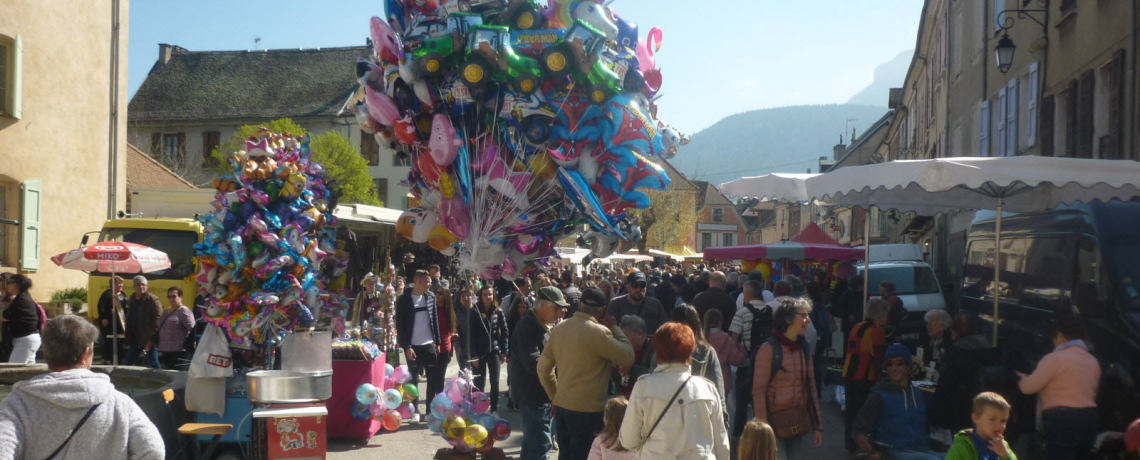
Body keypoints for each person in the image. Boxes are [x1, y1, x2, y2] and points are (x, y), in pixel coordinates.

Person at [0, 315, 164, 459]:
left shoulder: (17, 405)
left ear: (47, 352)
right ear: (85, 353)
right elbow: (153, 450)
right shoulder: (119, 403)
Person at [538, 286, 634, 460]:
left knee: (565, 455)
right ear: (602, 310)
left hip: (563, 406)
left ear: (580, 305)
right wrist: (615, 328)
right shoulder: (599, 332)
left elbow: (543, 368)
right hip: (588, 411)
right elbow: (627, 356)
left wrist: (556, 396)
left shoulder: (560, 328)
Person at [618, 322, 730, 459]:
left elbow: (628, 440)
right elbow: (722, 445)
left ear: (657, 350)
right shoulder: (708, 389)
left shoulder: (644, 386)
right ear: (690, 350)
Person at [1016, 315, 1101, 460]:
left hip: (1062, 421)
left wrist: (1018, 377)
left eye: (1054, 338)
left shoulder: (1054, 359)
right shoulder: (1093, 361)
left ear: (1060, 336)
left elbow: (1029, 387)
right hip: (1089, 420)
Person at [753, 298, 823, 460]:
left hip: (797, 421)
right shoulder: (768, 349)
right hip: (773, 425)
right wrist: (763, 427)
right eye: (804, 315)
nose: (808, 320)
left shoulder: (804, 349)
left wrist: (817, 426)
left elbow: (811, 387)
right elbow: (759, 390)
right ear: (788, 319)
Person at [853, 343, 941, 460]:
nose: (894, 368)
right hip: (895, 451)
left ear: (908, 367)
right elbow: (858, 431)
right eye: (890, 363)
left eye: (899, 363)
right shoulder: (879, 395)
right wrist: (872, 452)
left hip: (923, 449)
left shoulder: (916, 392)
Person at [511, 286, 568, 460]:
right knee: (541, 445)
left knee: (533, 444)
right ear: (543, 306)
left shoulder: (542, 325)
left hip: (540, 395)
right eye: (556, 308)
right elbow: (534, 364)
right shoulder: (527, 327)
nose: (560, 312)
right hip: (533, 395)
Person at [842, 299, 889, 452]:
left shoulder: (857, 326)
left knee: (851, 414)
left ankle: (851, 446)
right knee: (864, 415)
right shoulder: (876, 331)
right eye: (886, 314)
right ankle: (864, 448)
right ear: (880, 315)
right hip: (865, 377)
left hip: (849, 374)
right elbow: (879, 359)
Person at [396, 270, 441, 423]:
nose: (430, 284)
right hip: (412, 345)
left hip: (428, 344)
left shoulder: (430, 297)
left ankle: (429, 410)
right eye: (427, 281)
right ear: (418, 282)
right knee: (413, 380)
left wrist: (438, 342)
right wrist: (406, 346)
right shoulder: (404, 300)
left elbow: (435, 320)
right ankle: (414, 411)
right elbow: (400, 325)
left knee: (432, 379)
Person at [729, 279, 773, 437]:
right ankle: (763, 435)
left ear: (747, 294)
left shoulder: (742, 313)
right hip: (767, 364)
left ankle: (739, 436)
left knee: (741, 404)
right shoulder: (770, 312)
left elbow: (734, 339)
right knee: (762, 403)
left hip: (746, 364)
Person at [668, 305, 724, 406]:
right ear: (697, 325)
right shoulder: (707, 352)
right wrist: (723, 418)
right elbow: (718, 394)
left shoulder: (662, 352)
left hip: (667, 415)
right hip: (698, 413)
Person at [944, 392, 1017, 460]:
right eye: (992, 419)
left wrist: (1006, 455)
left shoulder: (1002, 445)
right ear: (976, 418)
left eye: (1003, 421)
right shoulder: (962, 447)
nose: (999, 425)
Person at [474, 284, 509, 416]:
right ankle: (479, 409)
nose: (488, 297)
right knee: (479, 383)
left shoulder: (498, 311)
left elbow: (505, 331)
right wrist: (474, 355)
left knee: (495, 382)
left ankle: (494, 409)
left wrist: (504, 351)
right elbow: (472, 334)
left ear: (493, 295)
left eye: (490, 294)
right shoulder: (475, 311)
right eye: (485, 294)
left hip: (494, 351)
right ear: (481, 296)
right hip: (480, 352)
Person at [704, 309, 746, 400]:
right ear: (720, 322)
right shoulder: (726, 338)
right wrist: (740, 347)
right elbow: (737, 359)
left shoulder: (701, 337)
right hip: (723, 379)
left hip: (703, 378)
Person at [124, 276, 162, 368]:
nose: (141, 287)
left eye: (143, 284)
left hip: (148, 337)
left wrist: (151, 337)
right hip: (135, 337)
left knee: (153, 363)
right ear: (134, 287)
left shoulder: (153, 300)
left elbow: (158, 319)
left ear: (147, 286)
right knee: (127, 362)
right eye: (138, 285)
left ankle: (161, 379)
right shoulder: (132, 299)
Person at [3, 275, 41, 364]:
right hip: (28, 339)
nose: (7, 286)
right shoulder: (24, 296)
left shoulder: (21, 300)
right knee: (27, 373)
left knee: (12, 370)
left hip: (25, 340)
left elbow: (5, 316)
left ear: (15, 285)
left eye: (8, 283)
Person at [430, 287, 457, 407]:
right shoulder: (432, 310)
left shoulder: (449, 312)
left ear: (446, 296)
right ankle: (432, 404)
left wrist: (451, 353)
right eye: (436, 292)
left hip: (445, 348)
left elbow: (451, 333)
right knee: (433, 378)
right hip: (433, 347)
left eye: (440, 293)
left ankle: (440, 403)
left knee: (440, 377)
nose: (437, 295)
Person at [156, 287, 195, 370]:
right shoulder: (166, 311)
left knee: (178, 374)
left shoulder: (184, 311)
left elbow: (192, 328)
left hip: (179, 350)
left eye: (174, 296)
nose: (171, 299)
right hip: (165, 348)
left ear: (181, 297)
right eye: (169, 297)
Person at [616, 315, 654, 398]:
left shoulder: (655, 349)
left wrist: (631, 370)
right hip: (624, 399)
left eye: (626, 336)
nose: (623, 341)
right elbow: (616, 380)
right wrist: (614, 368)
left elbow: (655, 375)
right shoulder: (625, 350)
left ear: (640, 334)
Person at [455, 287, 491, 372]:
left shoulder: (477, 312)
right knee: (464, 373)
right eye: (463, 296)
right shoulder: (457, 313)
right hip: (461, 348)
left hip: (475, 349)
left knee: (475, 376)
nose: (465, 298)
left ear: (473, 298)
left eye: (468, 295)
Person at [96, 276, 128, 364]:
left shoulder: (123, 294)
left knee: (120, 340)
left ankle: (119, 358)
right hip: (110, 323)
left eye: (121, 283)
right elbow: (100, 307)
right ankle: (107, 358)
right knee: (110, 341)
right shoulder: (107, 294)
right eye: (119, 283)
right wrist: (103, 319)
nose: (121, 285)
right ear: (112, 284)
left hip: (120, 323)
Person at [832, 274, 865, 344]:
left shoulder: (864, 295)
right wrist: (847, 315)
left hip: (860, 324)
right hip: (849, 325)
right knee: (849, 344)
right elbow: (838, 309)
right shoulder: (847, 295)